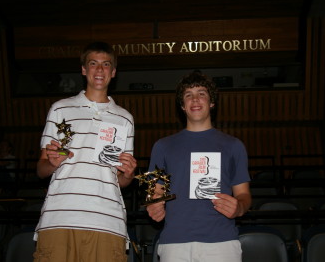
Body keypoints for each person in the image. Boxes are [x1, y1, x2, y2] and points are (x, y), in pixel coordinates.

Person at [33, 41, 137, 262]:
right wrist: (52, 163)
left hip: (107, 221)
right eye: (93, 63)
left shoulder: (125, 118)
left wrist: (127, 174)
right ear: (83, 69)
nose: (99, 70)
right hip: (59, 217)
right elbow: (41, 170)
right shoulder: (60, 108)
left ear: (114, 72)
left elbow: (121, 181)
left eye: (106, 64)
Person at [146, 71, 251, 262]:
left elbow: (243, 195)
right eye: (188, 95)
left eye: (201, 93)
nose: (195, 99)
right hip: (174, 243)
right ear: (182, 106)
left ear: (212, 102)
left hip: (222, 242)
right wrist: (154, 205)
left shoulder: (234, 145)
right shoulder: (162, 146)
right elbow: (155, 191)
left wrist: (239, 208)